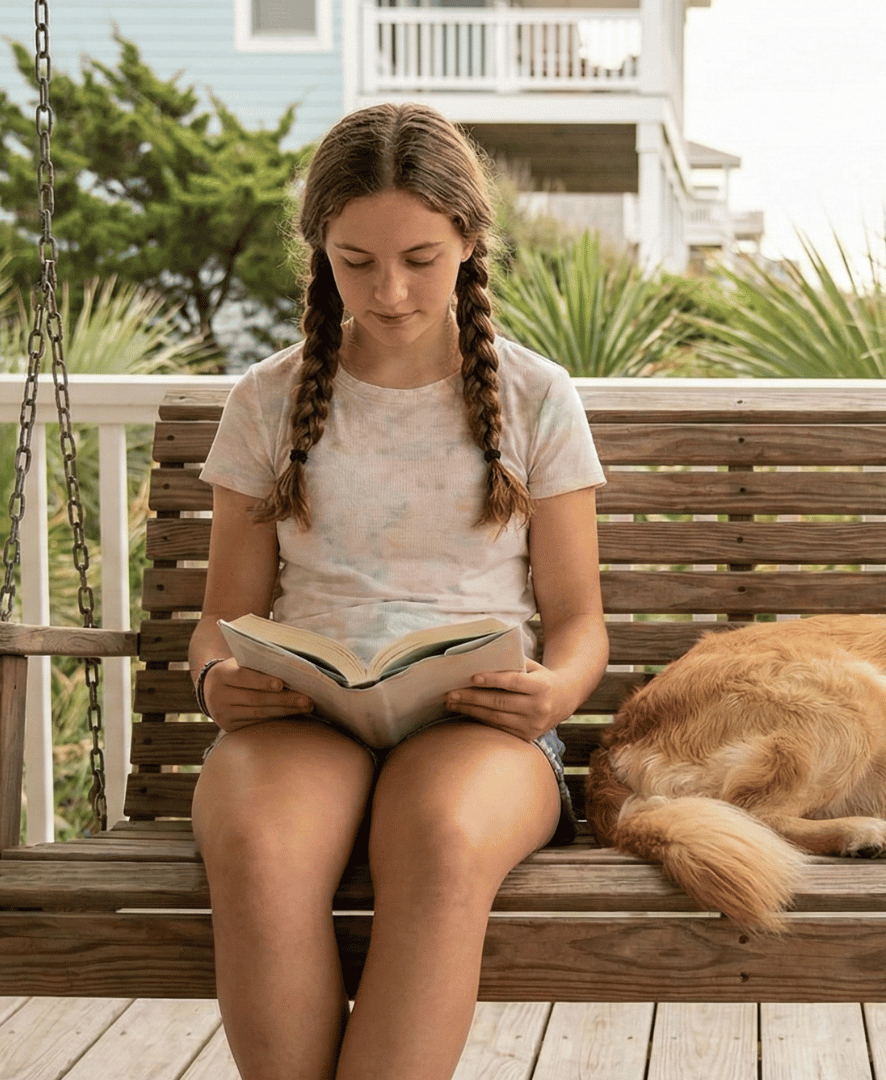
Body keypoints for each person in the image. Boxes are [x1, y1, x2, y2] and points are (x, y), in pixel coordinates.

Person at [187, 102, 608, 1080]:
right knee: (257, 850)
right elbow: (221, 615)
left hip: (477, 718)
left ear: (469, 240)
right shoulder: (267, 400)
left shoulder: (536, 399)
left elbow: (579, 618)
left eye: (420, 257)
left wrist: (556, 692)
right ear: (319, 251)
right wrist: (217, 682)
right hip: (303, 711)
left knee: (443, 841)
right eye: (356, 260)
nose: (388, 289)